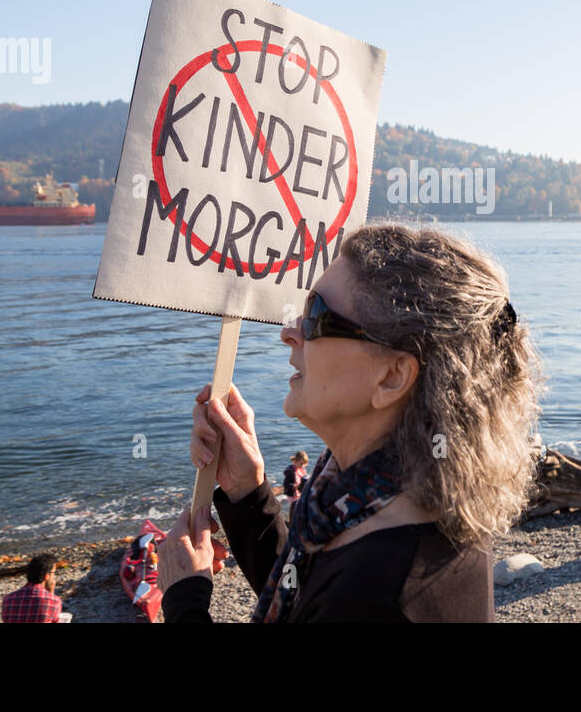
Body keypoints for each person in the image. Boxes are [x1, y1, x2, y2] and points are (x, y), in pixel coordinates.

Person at [157, 224, 544, 622]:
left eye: (316, 317)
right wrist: (247, 493)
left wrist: (185, 601)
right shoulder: (396, 493)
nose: (289, 333)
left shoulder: (382, 591)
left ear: (392, 376)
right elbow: (310, 597)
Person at [0, 554, 62, 623]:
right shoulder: (54, 601)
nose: (54, 576)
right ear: (47, 576)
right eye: (54, 572)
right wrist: (51, 592)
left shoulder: (8, 600)